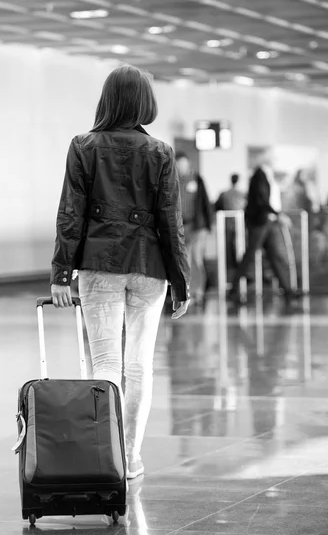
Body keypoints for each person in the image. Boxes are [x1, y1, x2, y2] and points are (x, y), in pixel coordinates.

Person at [49, 65, 190, 480]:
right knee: (140, 366)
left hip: (99, 265)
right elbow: (171, 222)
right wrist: (180, 282)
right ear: (145, 102)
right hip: (149, 267)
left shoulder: (83, 146)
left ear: (107, 100)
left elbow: (70, 213)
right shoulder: (161, 152)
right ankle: (129, 458)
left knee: (106, 362)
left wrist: (61, 273)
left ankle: (104, 455)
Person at [228, 151, 301, 306]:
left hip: (267, 221)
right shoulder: (259, 176)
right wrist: (278, 214)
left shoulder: (266, 176)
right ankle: (233, 290)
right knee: (250, 255)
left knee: (274, 256)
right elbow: (262, 200)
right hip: (260, 222)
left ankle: (288, 290)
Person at [175, 152, 212, 306]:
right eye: (179, 165)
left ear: (188, 165)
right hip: (181, 227)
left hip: (198, 226)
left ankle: (199, 291)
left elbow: (205, 202)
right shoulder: (173, 181)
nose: (181, 168)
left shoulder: (197, 179)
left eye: (184, 165)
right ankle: (188, 293)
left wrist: (208, 224)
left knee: (196, 259)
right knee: (185, 261)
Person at [215, 174, 246, 272]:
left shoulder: (224, 194)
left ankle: (230, 269)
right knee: (239, 247)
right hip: (239, 225)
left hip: (226, 224)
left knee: (228, 248)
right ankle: (239, 269)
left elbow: (216, 207)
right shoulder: (242, 194)